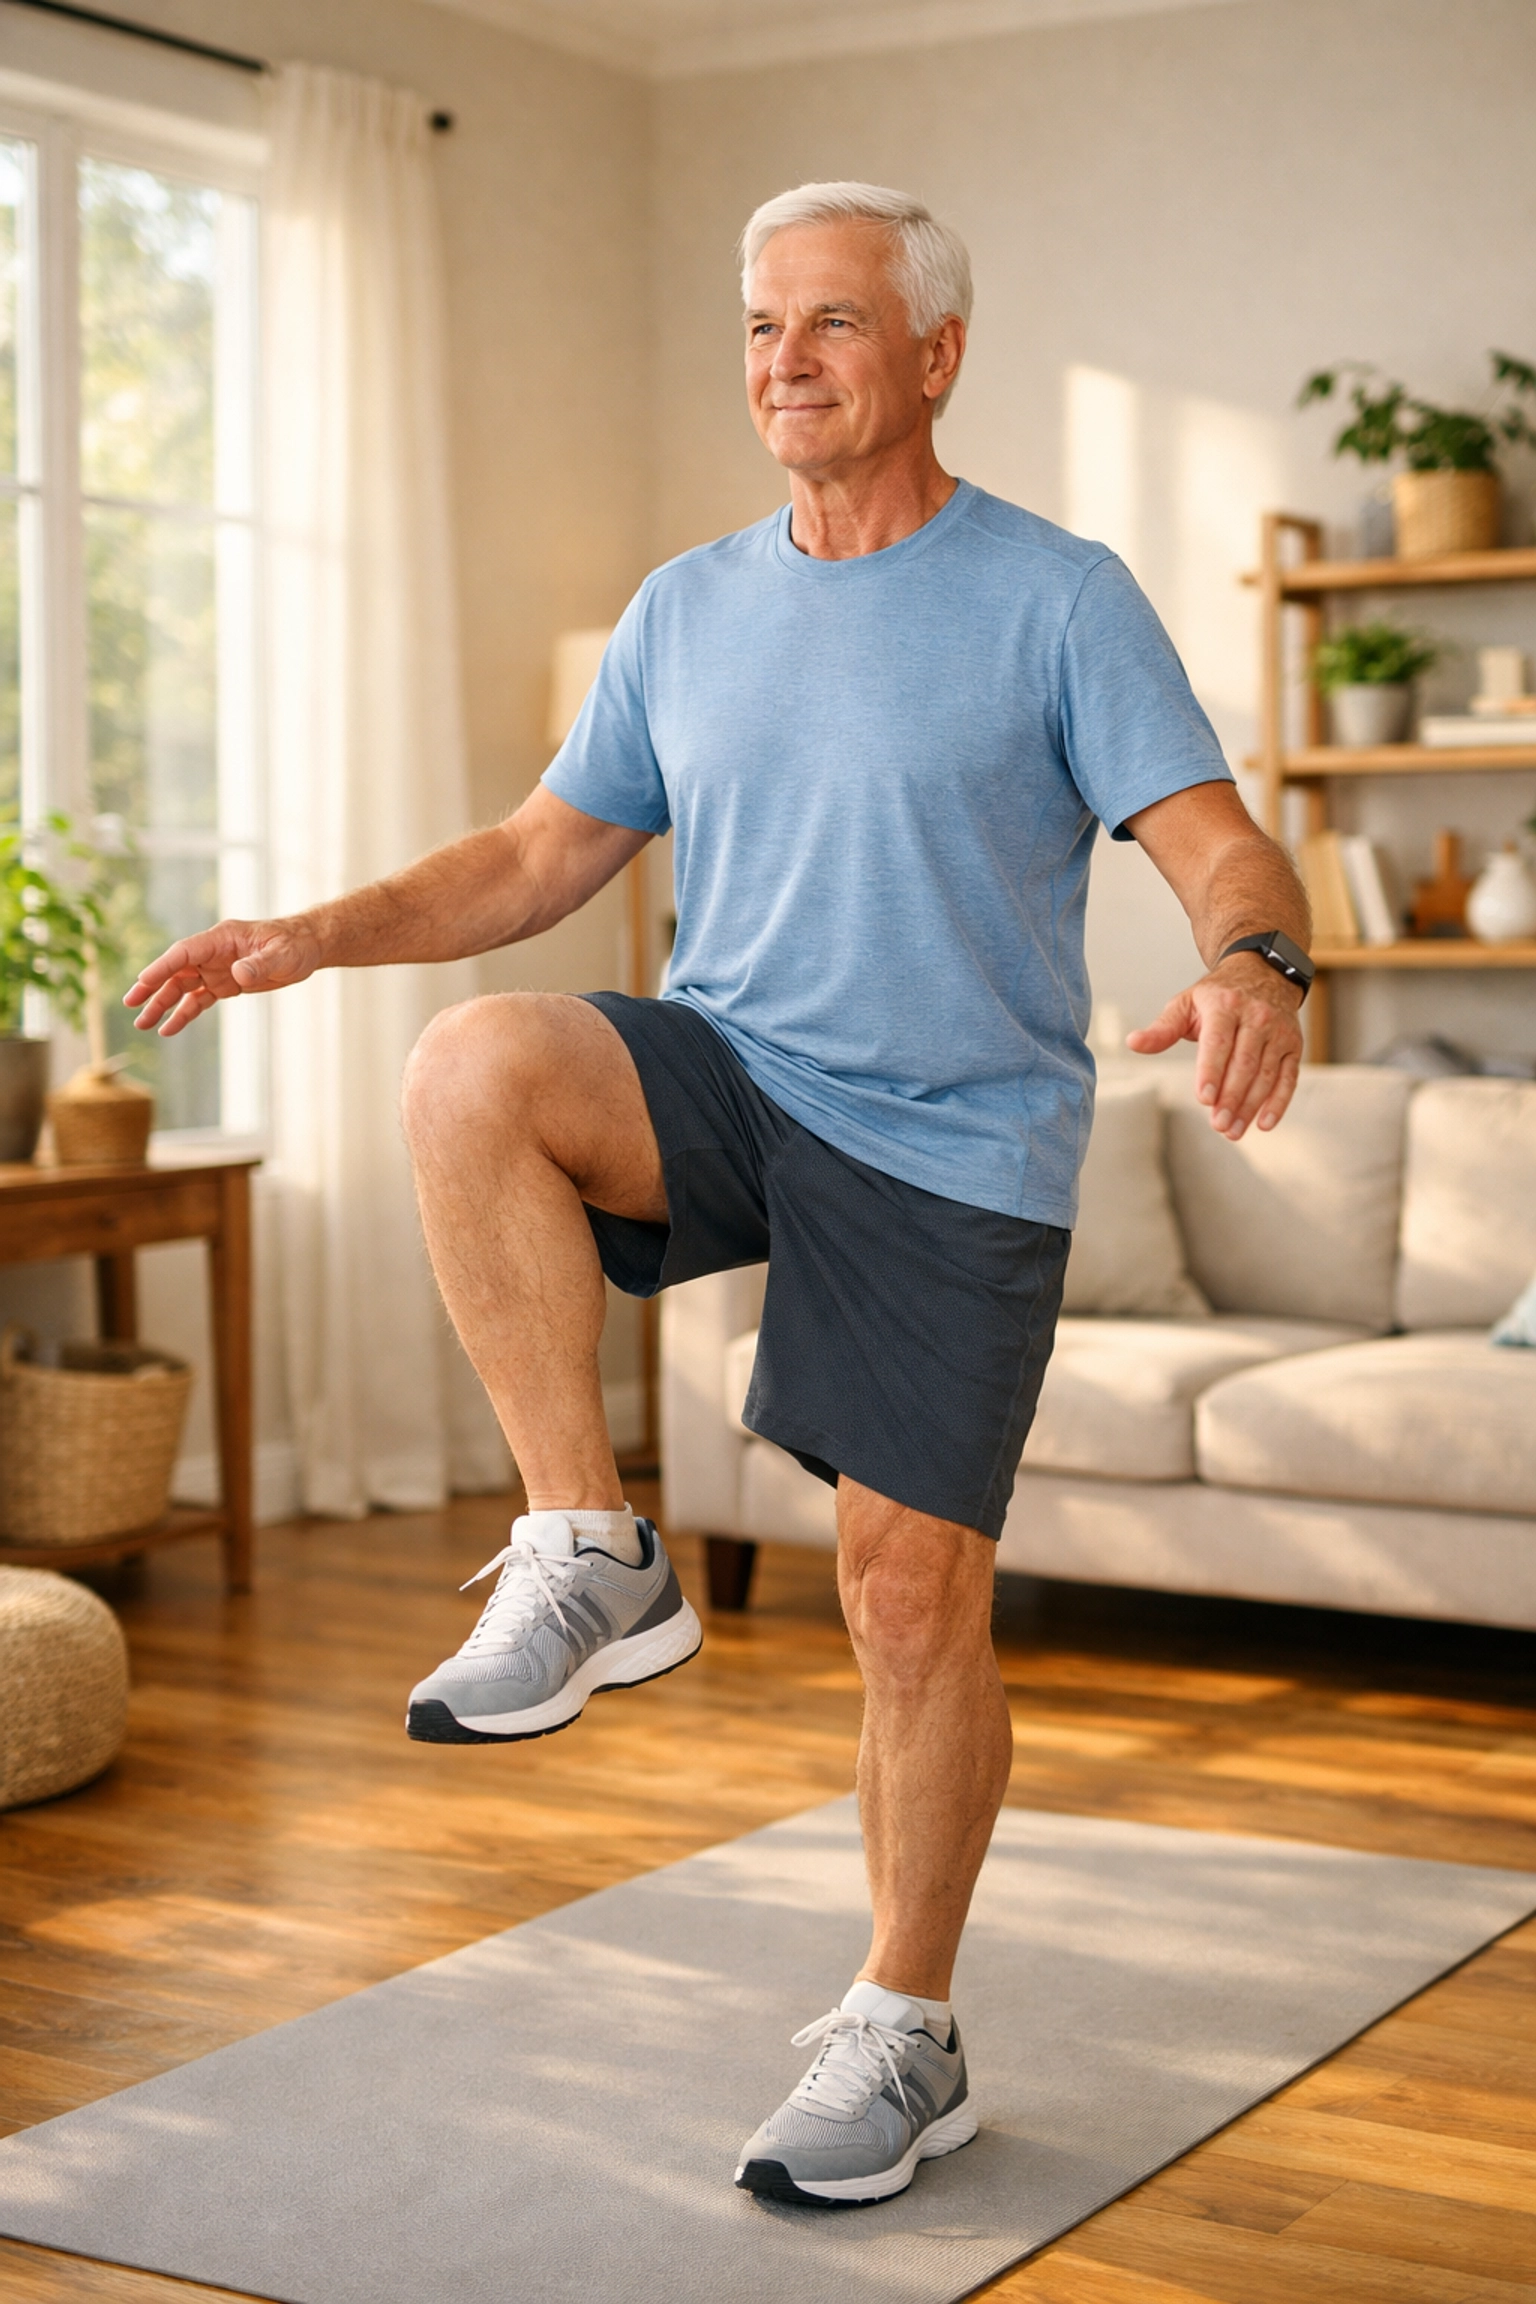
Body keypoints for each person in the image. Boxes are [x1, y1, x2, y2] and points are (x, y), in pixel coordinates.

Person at [127, 180, 1311, 2211]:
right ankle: (592, 1546)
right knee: (476, 1061)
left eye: (831, 325)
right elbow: (528, 864)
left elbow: (1215, 843)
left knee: (906, 1598)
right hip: (742, 1078)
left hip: (956, 1143)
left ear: (934, 354)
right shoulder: (687, 607)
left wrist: (1255, 963)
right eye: (760, 327)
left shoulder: (1056, 595)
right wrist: (307, 934)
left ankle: (904, 2030)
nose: (784, 362)